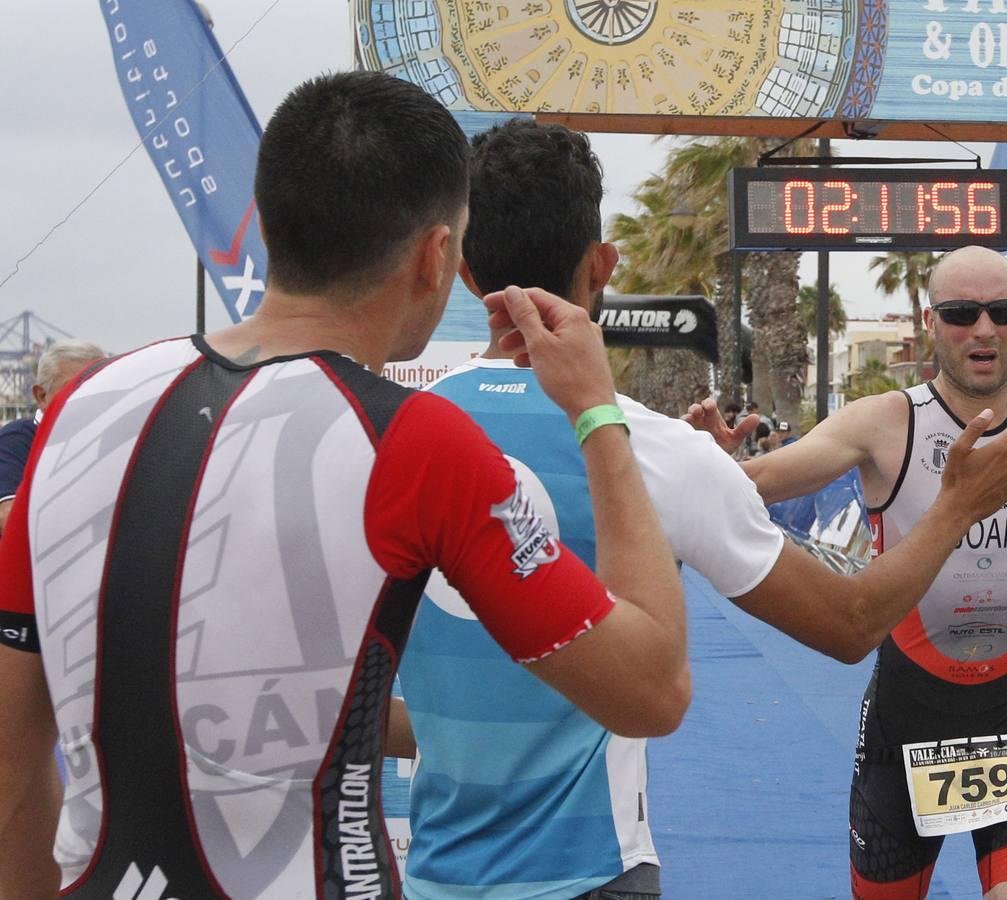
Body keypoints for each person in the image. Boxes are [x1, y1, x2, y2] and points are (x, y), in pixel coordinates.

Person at [0, 71, 692, 899]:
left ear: (267, 225)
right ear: (438, 258)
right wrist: (597, 413)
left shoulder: (81, 408)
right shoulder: (414, 440)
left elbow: (10, 757)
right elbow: (649, 691)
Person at [386, 121, 1007, 900]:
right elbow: (849, 623)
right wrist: (957, 506)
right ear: (602, 266)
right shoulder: (659, 450)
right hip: (593, 872)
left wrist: (458, 724)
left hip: (429, 876)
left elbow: (334, 705)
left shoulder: (388, 435)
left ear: (462, 272)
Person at [685, 245, 1007, 899]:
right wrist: (712, 466)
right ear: (930, 324)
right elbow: (758, 484)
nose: (982, 329)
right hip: (907, 714)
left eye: (999, 311)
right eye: (960, 313)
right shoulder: (884, 422)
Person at [0, 339, 106, 536]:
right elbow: (9, 518)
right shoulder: (17, 440)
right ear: (41, 396)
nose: (87, 398)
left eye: (97, 387)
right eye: (73, 389)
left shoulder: (106, 437)